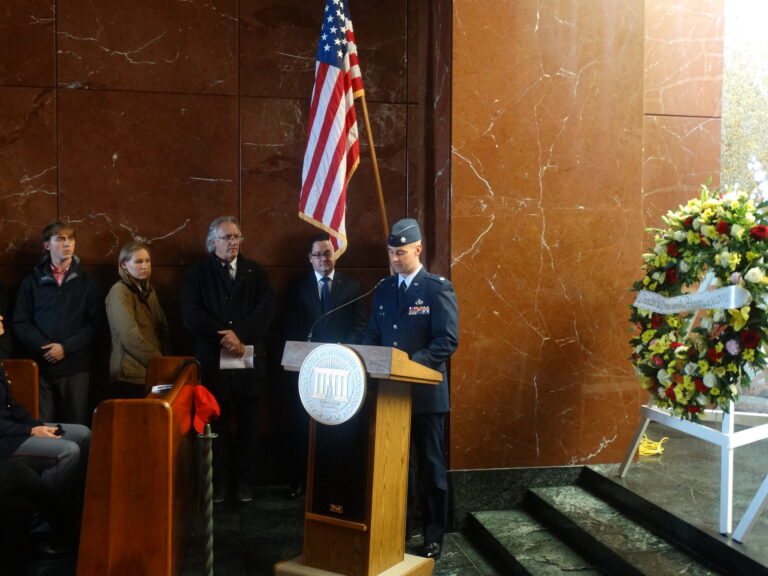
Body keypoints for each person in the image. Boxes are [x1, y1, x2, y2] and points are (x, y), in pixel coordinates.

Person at [363, 218, 459, 560]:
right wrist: (368, 360)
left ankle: (433, 534)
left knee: (430, 467)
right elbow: (373, 334)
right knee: (393, 467)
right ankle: (396, 527)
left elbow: (446, 341)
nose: (394, 259)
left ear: (418, 249)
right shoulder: (384, 289)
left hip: (424, 395)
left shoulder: (436, 289)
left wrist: (407, 365)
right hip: (389, 395)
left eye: (400, 252)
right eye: (391, 252)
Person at [181, 216, 273, 504]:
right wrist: (224, 337)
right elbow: (192, 315)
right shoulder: (197, 274)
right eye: (227, 237)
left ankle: (242, 481)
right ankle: (218, 482)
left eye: (237, 236)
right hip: (213, 360)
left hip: (247, 357)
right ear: (212, 242)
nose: (234, 241)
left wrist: (239, 335)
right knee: (216, 425)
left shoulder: (255, 272)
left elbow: (265, 311)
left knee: (248, 424)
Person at [280, 232, 367, 499]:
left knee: (337, 428)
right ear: (310, 258)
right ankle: (300, 480)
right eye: (317, 255)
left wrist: (343, 351)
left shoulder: (352, 287)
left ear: (334, 254)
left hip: (341, 369)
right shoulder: (297, 287)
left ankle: (333, 482)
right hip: (306, 370)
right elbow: (288, 327)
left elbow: (360, 326)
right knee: (301, 426)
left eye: (327, 253)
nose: (323, 259)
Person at [0, 315, 91, 555]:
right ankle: (43, 529)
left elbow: (11, 405)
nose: (1, 317)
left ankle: (74, 514)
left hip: (14, 430)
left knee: (83, 434)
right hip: (6, 440)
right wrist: (30, 430)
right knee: (66, 451)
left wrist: (38, 425)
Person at [13, 221, 102, 425]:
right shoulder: (31, 282)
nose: (67, 244)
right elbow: (21, 322)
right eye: (60, 239)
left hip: (76, 367)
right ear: (47, 245)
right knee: (43, 429)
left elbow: (95, 324)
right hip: (41, 366)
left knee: (76, 426)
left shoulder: (88, 282)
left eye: (71, 239)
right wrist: (45, 347)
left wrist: (65, 348)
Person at [105, 241, 172, 398]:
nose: (144, 266)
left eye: (147, 261)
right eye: (138, 262)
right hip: (130, 374)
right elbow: (129, 336)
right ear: (124, 265)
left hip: (152, 371)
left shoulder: (149, 290)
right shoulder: (119, 291)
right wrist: (159, 362)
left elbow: (163, 329)